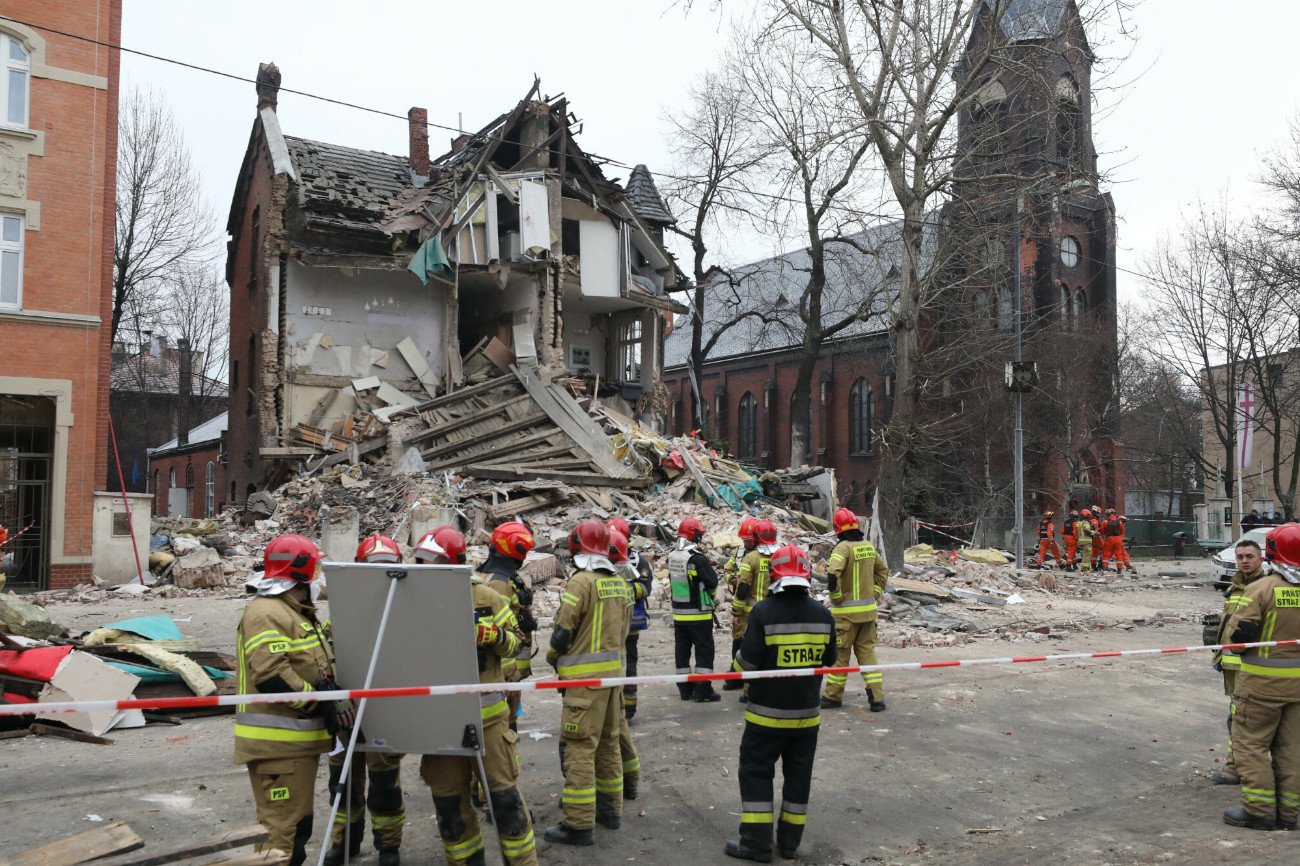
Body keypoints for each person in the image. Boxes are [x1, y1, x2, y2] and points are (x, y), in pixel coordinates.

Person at [415, 525, 538, 865]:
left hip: (488, 723)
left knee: (507, 804)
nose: (425, 569)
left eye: (432, 561)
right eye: (422, 561)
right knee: (451, 811)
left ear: (452, 563)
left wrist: (492, 634)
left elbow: (515, 643)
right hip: (438, 726)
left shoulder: (486, 597)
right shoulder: (409, 601)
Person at [235, 534, 344, 866]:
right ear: (303, 569)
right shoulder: (267, 611)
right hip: (277, 748)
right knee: (279, 834)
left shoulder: (294, 612)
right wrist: (317, 701)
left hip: (296, 746)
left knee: (297, 828)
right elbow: (271, 676)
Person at [726, 544, 835, 862]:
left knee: (757, 774)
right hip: (806, 720)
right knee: (798, 779)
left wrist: (736, 665)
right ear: (807, 575)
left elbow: (745, 666)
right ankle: (788, 843)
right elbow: (831, 660)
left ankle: (756, 844)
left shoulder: (762, 612)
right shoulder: (822, 614)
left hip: (766, 719)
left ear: (774, 574)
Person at [544, 518, 632, 846]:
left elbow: (562, 632)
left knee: (579, 749)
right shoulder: (619, 583)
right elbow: (624, 634)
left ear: (577, 546)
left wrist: (554, 658)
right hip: (612, 681)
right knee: (608, 744)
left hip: (583, 684)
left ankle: (579, 824)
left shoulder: (580, 583)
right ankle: (611, 812)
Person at [324, 533, 406, 866]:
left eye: (386, 568)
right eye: (373, 569)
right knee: (342, 783)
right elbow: (326, 658)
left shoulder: (405, 617)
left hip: (385, 712)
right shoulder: (341, 614)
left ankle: (389, 846)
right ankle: (345, 842)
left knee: (385, 785)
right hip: (346, 715)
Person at [1221, 522, 1300, 831]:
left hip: (1260, 689)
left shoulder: (1261, 589)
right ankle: (1290, 814)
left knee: (1250, 746)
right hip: (1297, 690)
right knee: (1292, 749)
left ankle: (1259, 811)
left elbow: (1236, 642)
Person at [1209, 538, 1270, 787]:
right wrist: (1218, 654)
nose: (1244, 561)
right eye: (1240, 556)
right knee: (1235, 717)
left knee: (1244, 719)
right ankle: (1237, 766)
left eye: (1249, 556)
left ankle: (1237, 768)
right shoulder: (1235, 586)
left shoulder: (1263, 586)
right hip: (1232, 664)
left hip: (1251, 665)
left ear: (1261, 559)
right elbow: (1228, 624)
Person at [820, 508, 890, 712]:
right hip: (868, 613)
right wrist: (876, 592)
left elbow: (833, 575)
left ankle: (832, 697)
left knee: (840, 657)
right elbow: (882, 570)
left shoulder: (842, 548)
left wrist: (837, 597)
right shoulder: (868, 546)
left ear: (837, 529)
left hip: (846, 617)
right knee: (867, 654)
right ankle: (877, 699)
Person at [480, 521, 538, 730]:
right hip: (505, 669)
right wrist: (509, 677)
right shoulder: (498, 584)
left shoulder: (505, 578)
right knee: (506, 724)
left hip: (513, 666)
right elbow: (500, 630)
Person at [667, 516, 722, 703]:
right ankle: (703, 690)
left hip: (679, 615)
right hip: (699, 614)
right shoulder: (697, 558)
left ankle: (684, 690)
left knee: (682, 651)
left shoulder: (672, 556)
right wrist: (713, 596)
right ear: (694, 535)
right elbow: (712, 582)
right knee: (704, 651)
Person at [607, 528, 642, 801]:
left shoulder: (596, 583)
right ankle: (631, 782)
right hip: (615, 661)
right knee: (619, 728)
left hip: (595, 672)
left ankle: (607, 801)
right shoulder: (625, 579)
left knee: (590, 741)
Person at [608, 517, 652, 721]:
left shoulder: (638, 561)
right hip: (607, 624)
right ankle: (610, 707)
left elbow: (645, 589)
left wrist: (623, 589)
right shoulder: (600, 560)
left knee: (629, 665)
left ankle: (629, 708)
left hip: (631, 623)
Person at [732, 519, 779, 703]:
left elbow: (742, 588)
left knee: (752, 652)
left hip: (752, 614)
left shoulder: (750, 558)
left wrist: (737, 613)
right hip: (774, 613)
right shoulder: (780, 557)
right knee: (771, 651)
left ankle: (748, 691)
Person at [722, 517, 759, 692]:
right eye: (744, 540)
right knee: (738, 639)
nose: (746, 543)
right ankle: (736, 675)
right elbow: (727, 570)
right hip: (741, 604)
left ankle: (745, 678)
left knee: (753, 643)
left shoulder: (762, 555)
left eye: (748, 540)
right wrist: (732, 580)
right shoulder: (739, 553)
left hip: (755, 607)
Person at [1089, 505, 1104, 570]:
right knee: (1104, 549)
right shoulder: (1094, 520)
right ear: (1095, 513)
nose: (1099, 515)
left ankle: (1093, 565)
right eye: (1098, 513)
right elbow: (1095, 530)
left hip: (1093, 539)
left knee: (1095, 551)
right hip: (1096, 537)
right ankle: (1102, 564)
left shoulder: (1092, 520)